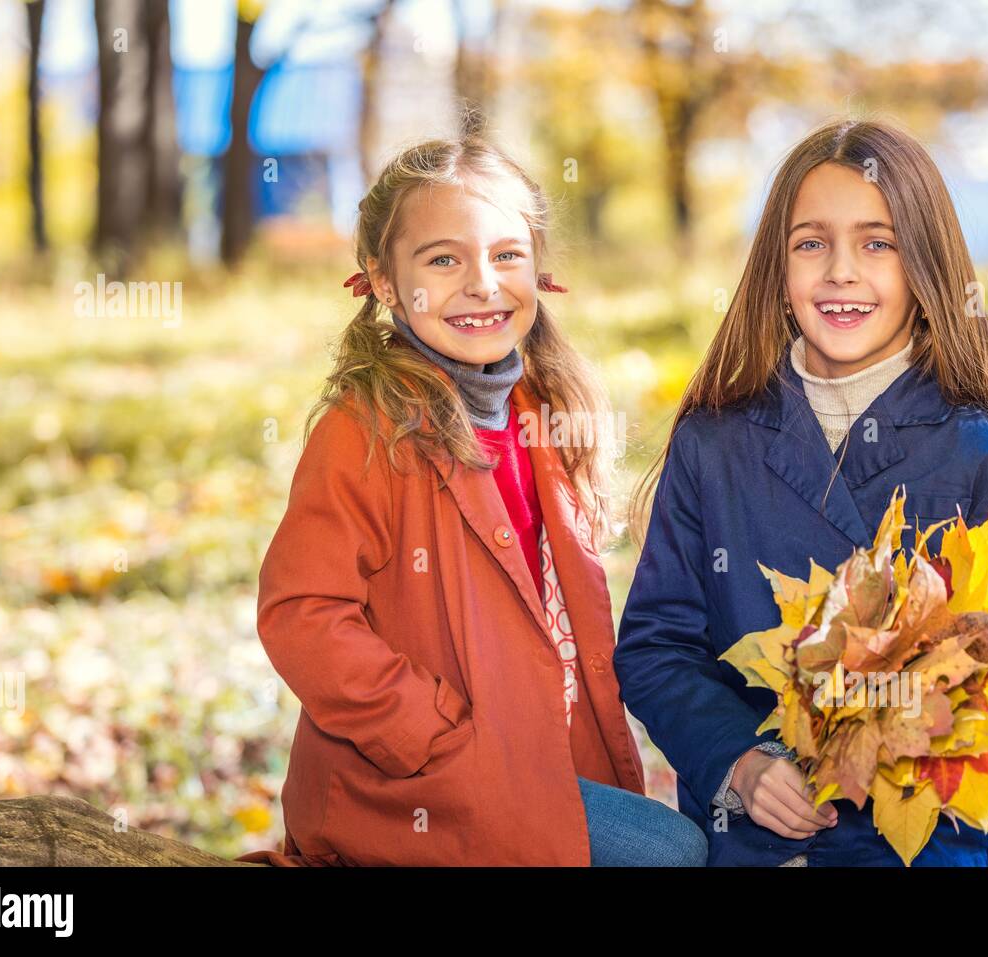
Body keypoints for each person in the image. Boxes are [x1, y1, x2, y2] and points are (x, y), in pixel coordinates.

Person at [614, 117, 988, 867]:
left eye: (879, 243)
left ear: (925, 269)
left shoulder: (981, 451)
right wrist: (738, 761)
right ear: (777, 271)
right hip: (769, 828)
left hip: (942, 834)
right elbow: (657, 647)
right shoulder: (714, 443)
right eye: (812, 243)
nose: (842, 270)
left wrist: (910, 739)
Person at [237, 130, 706, 866]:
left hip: (533, 763)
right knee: (671, 852)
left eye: (506, 254)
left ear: (538, 270)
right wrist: (428, 730)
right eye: (444, 259)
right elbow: (301, 614)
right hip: (416, 782)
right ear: (385, 282)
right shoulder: (365, 430)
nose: (482, 283)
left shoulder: (542, 411)